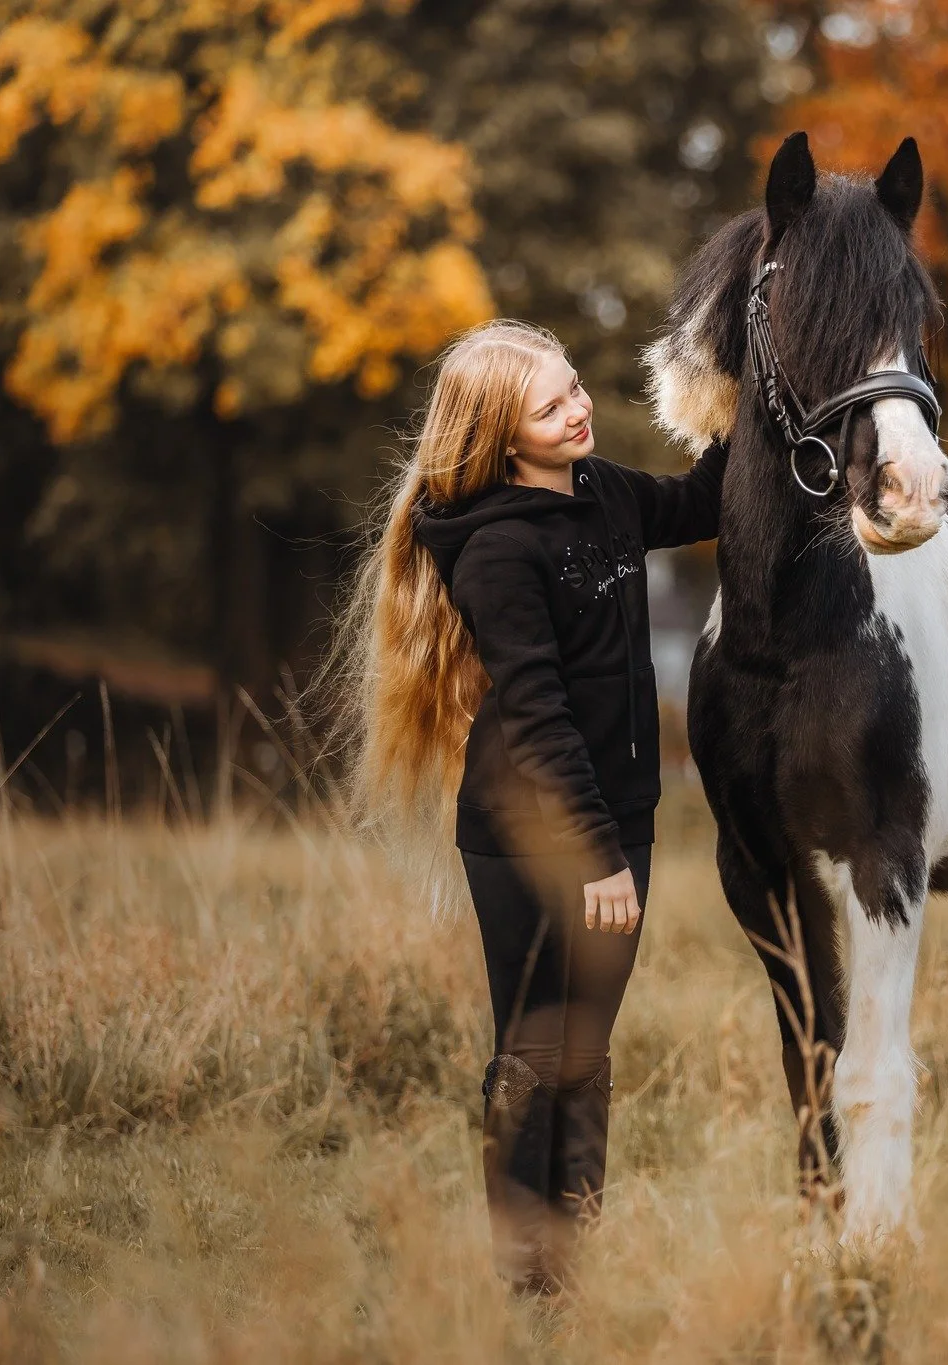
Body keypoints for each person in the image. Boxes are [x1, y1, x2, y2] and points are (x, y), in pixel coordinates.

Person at [340, 319, 724, 1294]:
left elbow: (696, 502)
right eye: (550, 404)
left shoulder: (604, 493)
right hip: (530, 833)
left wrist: (752, 402)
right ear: (502, 436)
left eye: (576, 386)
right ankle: (526, 1281)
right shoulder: (496, 551)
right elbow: (541, 715)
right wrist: (595, 854)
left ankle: (570, 1261)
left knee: (584, 1050)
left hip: (616, 820)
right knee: (531, 1047)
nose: (579, 407)